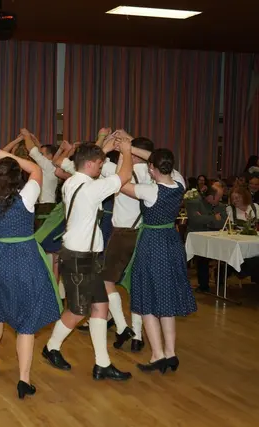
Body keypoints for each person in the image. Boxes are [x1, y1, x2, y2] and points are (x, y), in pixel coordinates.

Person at [42, 140, 133, 381]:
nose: (102, 168)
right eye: (100, 164)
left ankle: (102, 364)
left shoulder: (72, 182)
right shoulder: (91, 188)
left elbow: (88, 165)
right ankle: (51, 347)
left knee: (100, 306)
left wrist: (104, 149)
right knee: (77, 310)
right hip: (79, 257)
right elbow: (124, 176)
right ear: (90, 164)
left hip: (84, 256)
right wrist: (126, 151)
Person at [0, 150, 61, 399]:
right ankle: (24, 379)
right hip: (24, 258)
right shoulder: (26, 197)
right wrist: (6, 154)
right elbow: (36, 169)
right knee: (27, 320)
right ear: (16, 177)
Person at [119, 148, 196, 373]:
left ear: (151, 169)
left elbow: (121, 183)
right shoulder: (180, 183)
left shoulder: (150, 191)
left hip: (152, 244)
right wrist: (134, 148)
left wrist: (126, 153)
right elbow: (158, 159)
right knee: (166, 299)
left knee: (147, 300)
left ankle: (157, 355)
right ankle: (171, 353)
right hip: (172, 243)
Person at [99, 136, 156, 352]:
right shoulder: (155, 174)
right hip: (144, 234)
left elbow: (95, 160)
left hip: (123, 233)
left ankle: (123, 326)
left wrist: (108, 141)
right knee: (136, 284)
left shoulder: (119, 172)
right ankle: (138, 336)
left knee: (106, 280)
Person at [185, 182, 227, 292]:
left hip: (216, 237)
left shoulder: (221, 206)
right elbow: (195, 220)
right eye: (218, 197)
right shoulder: (194, 203)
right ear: (210, 196)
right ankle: (203, 285)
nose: (220, 199)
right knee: (202, 255)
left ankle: (221, 282)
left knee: (226, 251)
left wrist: (204, 219)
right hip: (197, 237)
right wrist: (213, 217)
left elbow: (223, 222)